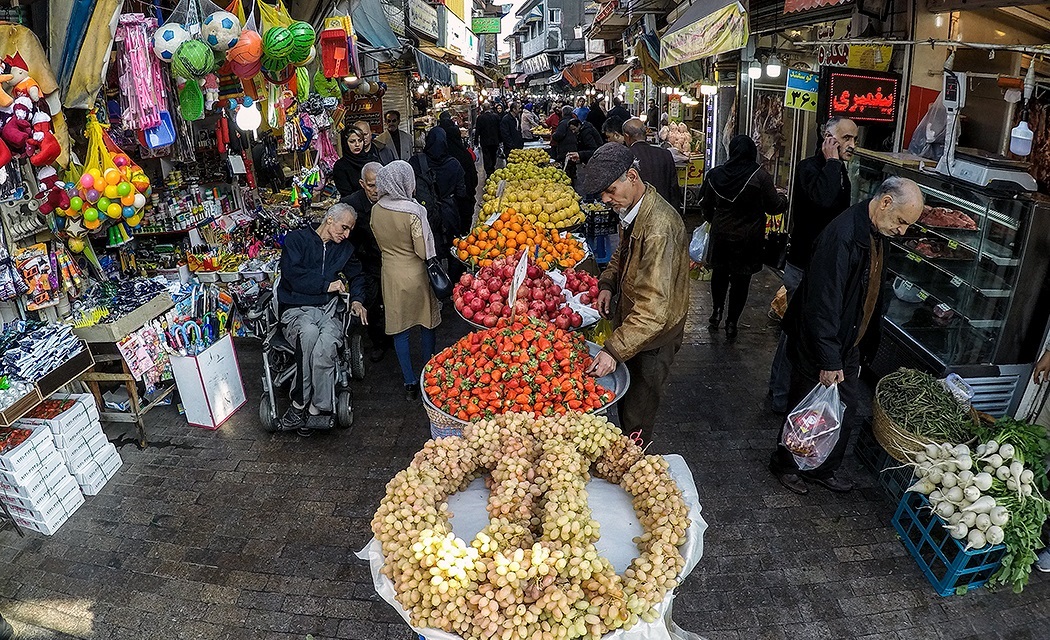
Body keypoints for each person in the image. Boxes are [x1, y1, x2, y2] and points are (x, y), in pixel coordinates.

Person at [770, 176, 924, 495]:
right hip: (820, 343)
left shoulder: (877, 231)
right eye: (901, 221)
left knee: (843, 410)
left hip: (847, 341)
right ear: (884, 203)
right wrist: (828, 358)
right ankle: (786, 465)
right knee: (806, 410)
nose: (903, 230)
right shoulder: (842, 236)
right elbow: (822, 302)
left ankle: (822, 467)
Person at [577, 143, 690, 444]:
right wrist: (608, 283)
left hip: (654, 338)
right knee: (628, 401)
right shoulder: (635, 207)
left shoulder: (659, 229)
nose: (605, 199)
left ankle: (635, 463)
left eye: (610, 190)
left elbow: (654, 311)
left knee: (637, 416)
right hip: (635, 328)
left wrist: (613, 350)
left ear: (632, 176)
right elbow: (623, 255)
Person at [769, 116, 859, 413]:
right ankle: (780, 394)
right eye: (845, 138)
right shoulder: (809, 167)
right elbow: (821, 199)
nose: (852, 145)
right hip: (803, 265)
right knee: (794, 330)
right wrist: (832, 161)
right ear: (828, 139)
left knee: (806, 331)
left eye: (855, 139)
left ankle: (793, 393)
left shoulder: (842, 171)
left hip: (824, 264)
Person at [277, 203, 369, 433]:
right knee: (308, 335)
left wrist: (357, 300)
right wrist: (325, 285)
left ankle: (315, 408)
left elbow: (357, 276)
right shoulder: (296, 240)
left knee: (326, 346)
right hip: (297, 309)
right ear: (329, 220)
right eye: (344, 227)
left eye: (349, 230)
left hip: (328, 310)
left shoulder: (344, 249)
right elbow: (291, 276)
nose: (346, 234)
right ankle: (299, 401)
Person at [700, 135, 787, 340]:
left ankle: (716, 312)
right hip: (748, 239)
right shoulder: (760, 176)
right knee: (741, 282)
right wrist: (784, 199)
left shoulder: (715, 174)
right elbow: (774, 207)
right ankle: (732, 323)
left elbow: (705, 204)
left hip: (720, 235)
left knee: (719, 276)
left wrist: (716, 221)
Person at [370, 161, 441, 400]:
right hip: (415, 275)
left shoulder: (376, 209)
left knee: (399, 327)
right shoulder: (413, 211)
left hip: (390, 273)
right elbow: (422, 251)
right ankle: (428, 374)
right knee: (426, 322)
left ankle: (409, 382)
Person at [340, 162, 391, 362]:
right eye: (371, 186)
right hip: (366, 264)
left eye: (379, 185)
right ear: (362, 184)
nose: (376, 190)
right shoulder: (350, 204)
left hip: (387, 261)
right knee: (371, 302)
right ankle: (378, 342)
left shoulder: (390, 200)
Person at [411, 127, 466, 255]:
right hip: (449, 212)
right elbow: (461, 193)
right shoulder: (454, 164)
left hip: (425, 214)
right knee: (453, 249)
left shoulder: (417, 162)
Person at [621, 118, 680, 211]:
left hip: (637, 213)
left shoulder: (625, 156)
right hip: (663, 211)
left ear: (627, 136)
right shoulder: (665, 154)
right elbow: (674, 189)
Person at [438, 116, 479, 235]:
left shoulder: (443, 157)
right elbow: (473, 178)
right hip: (465, 201)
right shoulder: (465, 155)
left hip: (449, 206)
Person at [332, 128, 372, 197]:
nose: (357, 144)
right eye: (352, 141)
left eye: (360, 141)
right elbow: (346, 193)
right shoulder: (340, 166)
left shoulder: (372, 160)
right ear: (345, 143)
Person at [473, 102, 501, 177]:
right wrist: (500, 139)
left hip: (485, 141)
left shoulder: (480, 118)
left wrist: (475, 141)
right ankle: (493, 166)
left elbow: (477, 130)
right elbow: (499, 129)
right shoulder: (496, 116)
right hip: (495, 140)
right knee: (493, 154)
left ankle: (489, 171)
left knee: (486, 156)